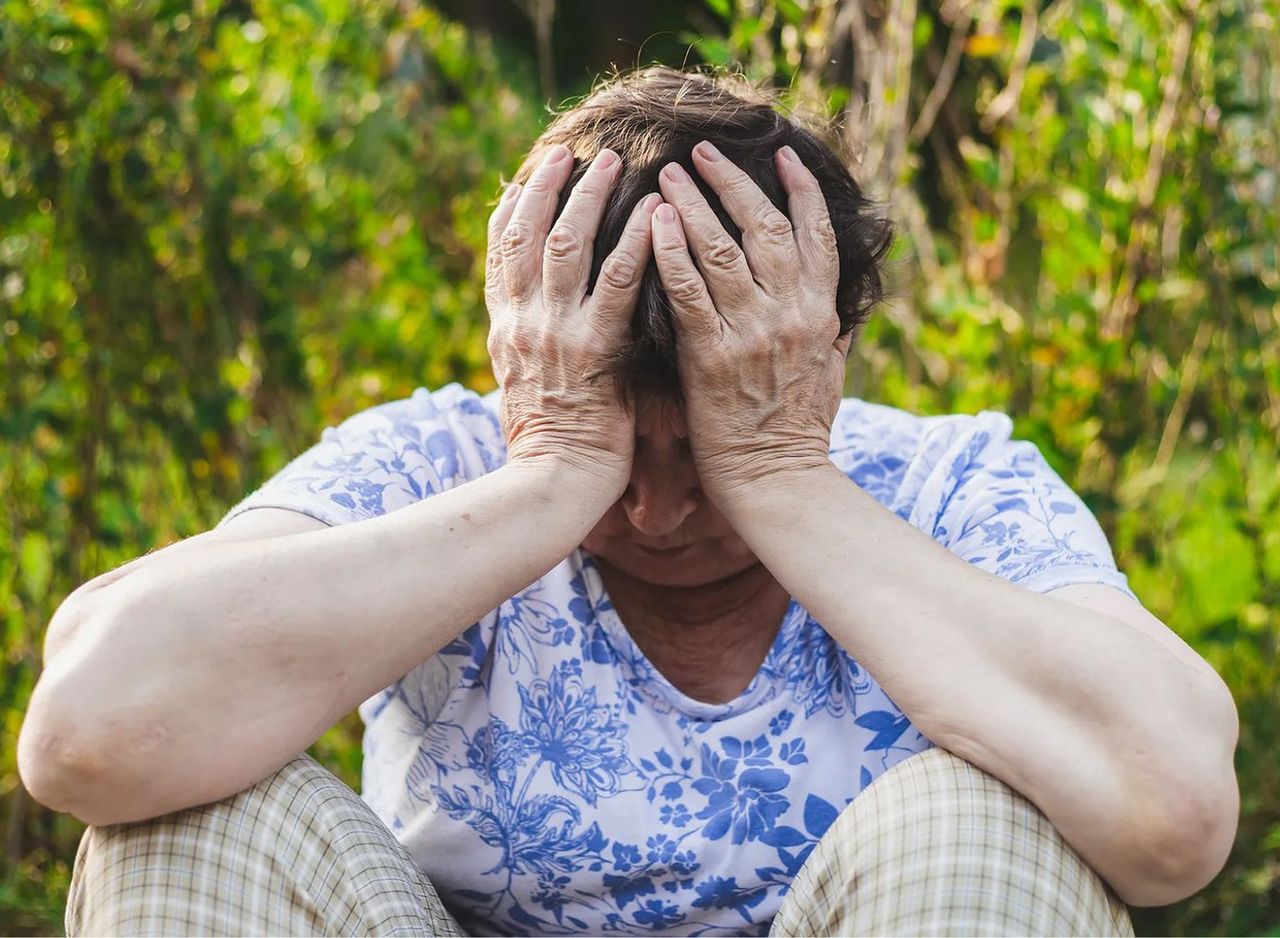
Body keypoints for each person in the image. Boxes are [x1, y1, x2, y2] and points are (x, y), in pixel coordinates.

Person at [20, 66, 1238, 937]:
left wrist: (779, 477)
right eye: (621, 447)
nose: (652, 510)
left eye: (697, 447)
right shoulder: (439, 464)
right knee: (191, 822)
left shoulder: (941, 487)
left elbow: (1171, 812)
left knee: (980, 821)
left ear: (820, 353)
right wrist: (550, 468)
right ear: (520, 347)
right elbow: (86, 730)